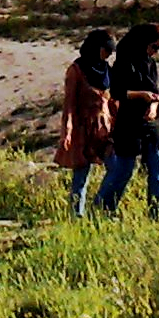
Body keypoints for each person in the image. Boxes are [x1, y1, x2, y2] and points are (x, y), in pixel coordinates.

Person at [97, 22, 159, 218]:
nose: (155, 52)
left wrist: (153, 106)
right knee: (124, 170)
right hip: (128, 122)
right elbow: (117, 92)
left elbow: (156, 92)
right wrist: (141, 95)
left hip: (148, 123)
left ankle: (157, 213)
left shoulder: (150, 64)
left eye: (158, 48)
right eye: (154, 47)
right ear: (143, 42)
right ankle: (103, 208)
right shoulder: (124, 62)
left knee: (158, 168)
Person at [53, 29, 115, 215]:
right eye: (106, 50)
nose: (108, 54)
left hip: (105, 128)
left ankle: (100, 206)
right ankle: (76, 215)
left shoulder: (106, 70)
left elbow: (113, 101)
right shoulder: (77, 70)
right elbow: (69, 103)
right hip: (83, 129)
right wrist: (68, 130)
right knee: (81, 176)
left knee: (116, 168)